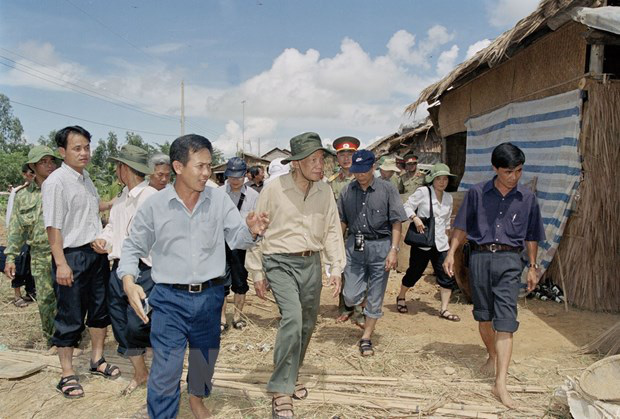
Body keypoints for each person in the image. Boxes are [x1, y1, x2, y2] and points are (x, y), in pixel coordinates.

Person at [117, 134, 268, 418]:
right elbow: (132, 246)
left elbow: (237, 237)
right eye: (199, 166)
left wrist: (252, 231)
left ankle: (197, 398)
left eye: (209, 166)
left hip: (210, 296)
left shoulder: (219, 200)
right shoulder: (154, 205)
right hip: (169, 299)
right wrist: (128, 279)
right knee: (166, 368)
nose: (206, 173)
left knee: (204, 357)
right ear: (178, 166)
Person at [246, 132, 345, 419]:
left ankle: (291, 374)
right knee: (292, 318)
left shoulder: (324, 191)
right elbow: (258, 229)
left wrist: (335, 267)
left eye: (321, 160)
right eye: (313, 160)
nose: (319, 165)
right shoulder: (273, 189)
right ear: (296, 163)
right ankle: (280, 390)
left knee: (307, 325)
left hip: (310, 262)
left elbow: (331, 230)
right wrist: (257, 271)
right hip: (279, 262)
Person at [443, 142, 545, 408]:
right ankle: (492, 355)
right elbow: (462, 226)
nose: (514, 177)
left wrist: (532, 267)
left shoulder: (527, 198)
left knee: (506, 319)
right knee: (484, 315)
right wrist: (451, 252)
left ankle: (501, 383)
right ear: (495, 169)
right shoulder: (477, 193)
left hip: (511, 260)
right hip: (479, 258)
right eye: (508, 171)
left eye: (519, 171)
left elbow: (533, 235)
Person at [42, 126, 120, 399]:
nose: (84, 152)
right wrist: (61, 263)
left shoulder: (85, 178)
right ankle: (66, 373)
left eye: (86, 147)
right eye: (77, 148)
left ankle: (96, 360)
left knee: (100, 310)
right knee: (70, 315)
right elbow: (53, 227)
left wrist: (113, 204)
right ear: (62, 152)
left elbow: (90, 208)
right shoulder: (56, 182)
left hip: (95, 255)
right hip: (71, 256)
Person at [91, 145, 158, 396]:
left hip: (144, 268)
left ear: (125, 168)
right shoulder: (121, 197)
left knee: (138, 322)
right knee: (119, 321)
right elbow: (112, 229)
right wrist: (103, 241)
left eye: (118, 166)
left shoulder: (151, 197)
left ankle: (163, 372)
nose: (116, 170)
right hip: (118, 267)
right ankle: (141, 373)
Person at [338, 150, 407, 357]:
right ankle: (364, 302)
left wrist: (393, 251)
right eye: (356, 171)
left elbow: (396, 221)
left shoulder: (387, 189)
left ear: (373, 168)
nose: (359, 175)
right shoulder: (346, 191)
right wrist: (337, 248)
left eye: (363, 171)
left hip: (381, 245)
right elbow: (341, 220)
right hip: (356, 243)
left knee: (376, 294)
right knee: (349, 295)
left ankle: (366, 337)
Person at [4, 146, 60, 348]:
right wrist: (10, 257)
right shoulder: (23, 196)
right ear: (33, 167)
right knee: (45, 299)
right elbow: (16, 230)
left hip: (65, 252)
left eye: (51, 161)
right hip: (39, 254)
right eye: (43, 162)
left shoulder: (62, 189)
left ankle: (70, 339)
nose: (49, 165)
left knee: (68, 298)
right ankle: (52, 340)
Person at [397, 163, 459, 321]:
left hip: (441, 243)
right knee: (415, 272)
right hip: (423, 241)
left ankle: (444, 309)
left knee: (446, 274)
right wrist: (415, 218)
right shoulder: (423, 192)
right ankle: (401, 296)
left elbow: (446, 222)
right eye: (439, 178)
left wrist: (448, 238)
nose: (442, 182)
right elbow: (406, 206)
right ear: (432, 179)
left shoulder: (448, 198)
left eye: (445, 179)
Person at [218, 157, 259, 332]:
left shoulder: (253, 196)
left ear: (245, 176)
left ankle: (237, 316)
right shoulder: (218, 193)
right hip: (220, 244)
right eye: (232, 177)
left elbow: (256, 222)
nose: (235, 180)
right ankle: (221, 318)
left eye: (239, 177)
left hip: (241, 245)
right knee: (220, 282)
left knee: (240, 282)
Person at [328, 136, 364, 327]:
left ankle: (359, 309)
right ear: (337, 157)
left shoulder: (362, 178)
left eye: (350, 153)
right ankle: (344, 308)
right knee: (340, 266)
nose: (346, 157)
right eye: (342, 154)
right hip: (339, 233)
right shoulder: (332, 182)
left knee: (358, 267)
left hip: (359, 233)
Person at [4, 164, 37, 307]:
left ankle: (31, 291)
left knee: (30, 265)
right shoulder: (18, 192)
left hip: (34, 237)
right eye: (31, 173)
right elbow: (12, 216)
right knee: (19, 264)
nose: (33, 175)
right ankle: (17, 295)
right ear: (24, 174)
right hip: (21, 235)